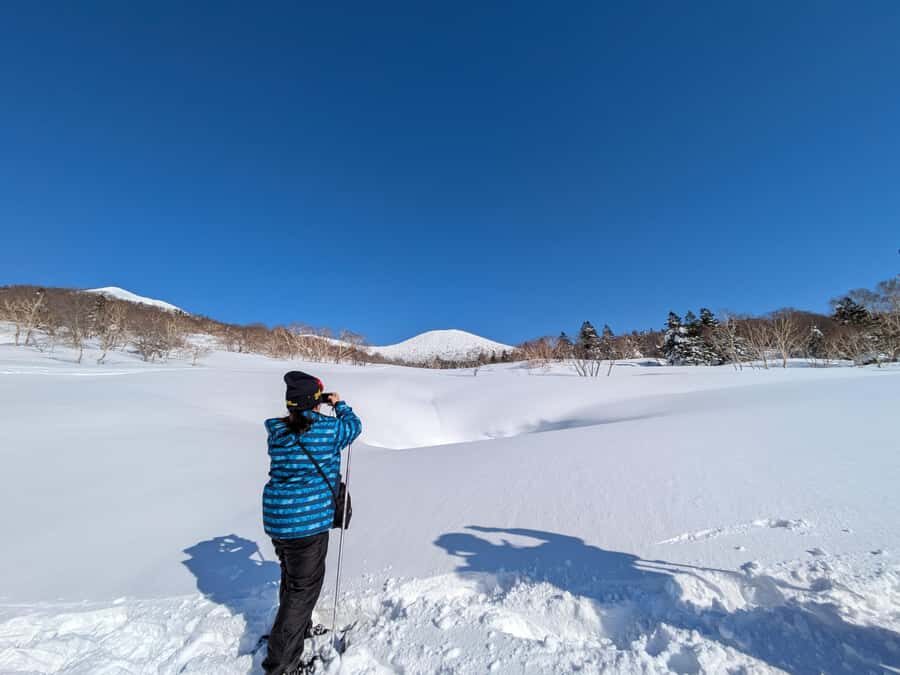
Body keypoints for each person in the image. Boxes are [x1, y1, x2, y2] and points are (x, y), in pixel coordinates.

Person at [261, 371, 362, 675]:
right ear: (313, 401)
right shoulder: (326, 430)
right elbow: (354, 427)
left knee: (292, 580)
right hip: (307, 523)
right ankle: (281, 664)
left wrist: (316, 404)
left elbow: (300, 423)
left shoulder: (276, 431)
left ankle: (298, 632)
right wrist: (339, 404)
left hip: (279, 520)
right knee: (303, 590)